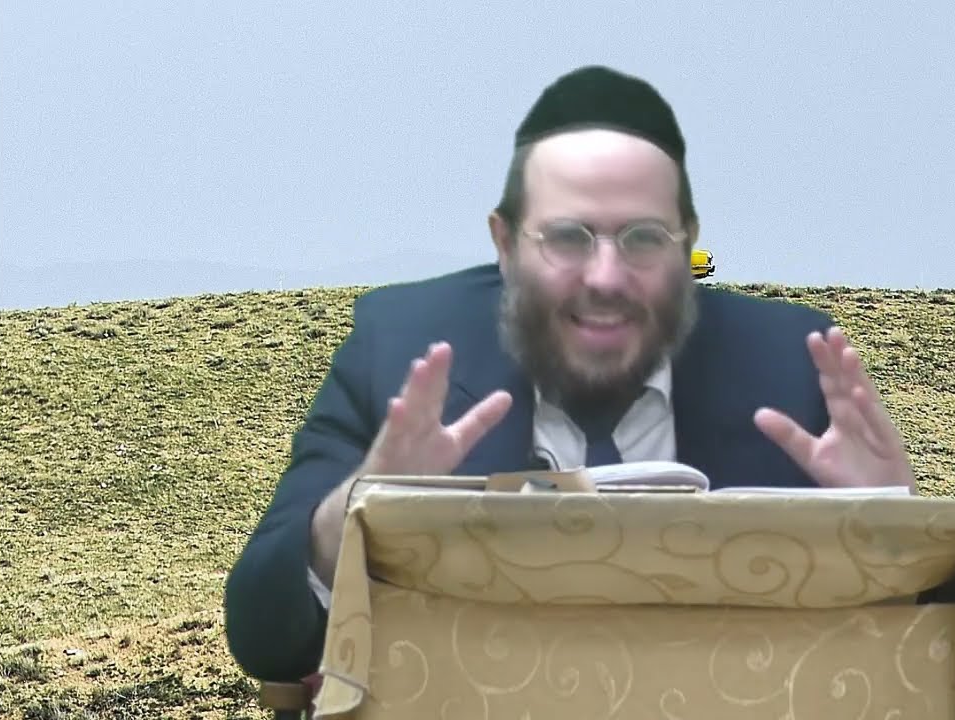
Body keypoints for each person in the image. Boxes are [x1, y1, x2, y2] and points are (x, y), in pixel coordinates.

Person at [223, 64, 918, 684]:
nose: (606, 278)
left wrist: (898, 531)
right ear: (504, 244)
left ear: (687, 245)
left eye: (643, 238)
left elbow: (904, 656)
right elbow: (262, 636)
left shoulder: (791, 365)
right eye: (566, 237)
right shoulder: (399, 346)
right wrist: (352, 516)